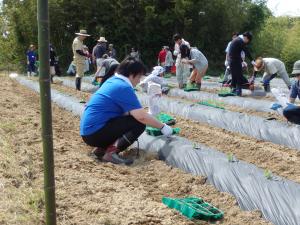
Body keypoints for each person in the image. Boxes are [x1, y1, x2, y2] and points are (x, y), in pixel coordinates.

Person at [80, 57, 173, 165]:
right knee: (138, 124)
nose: (139, 81)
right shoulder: (123, 87)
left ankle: (101, 150)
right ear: (132, 74)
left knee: (128, 120)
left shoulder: (112, 81)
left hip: (88, 131)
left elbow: (128, 112)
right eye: (139, 77)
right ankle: (110, 153)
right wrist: (163, 127)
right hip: (95, 133)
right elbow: (141, 117)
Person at [228, 31, 255, 96]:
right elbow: (246, 51)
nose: (247, 42)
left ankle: (233, 90)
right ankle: (238, 92)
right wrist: (252, 61)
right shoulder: (240, 41)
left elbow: (235, 52)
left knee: (234, 76)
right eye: (248, 40)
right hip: (235, 61)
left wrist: (242, 61)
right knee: (239, 76)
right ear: (246, 38)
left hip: (231, 60)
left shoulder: (237, 40)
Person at [283, 60, 300, 125]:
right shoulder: (296, 84)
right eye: (297, 74)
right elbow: (291, 101)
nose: (298, 76)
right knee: (287, 111)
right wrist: (285, 105)